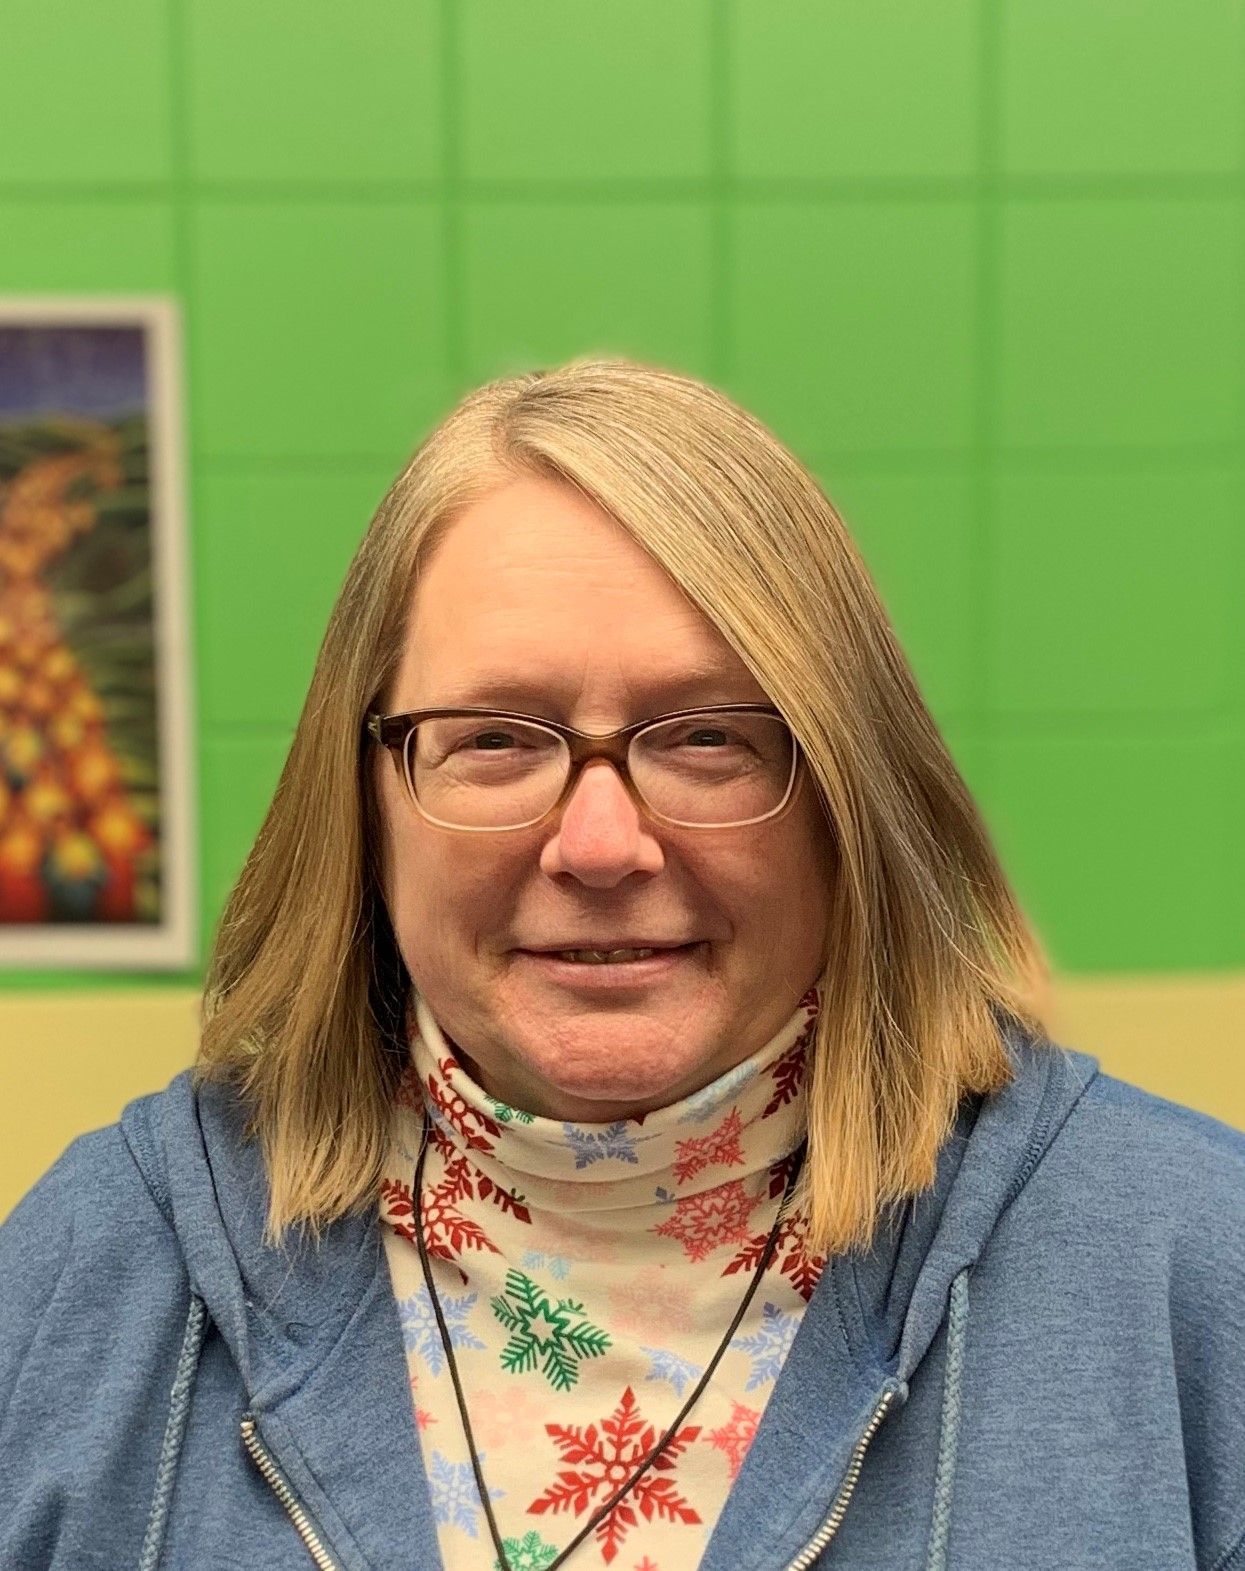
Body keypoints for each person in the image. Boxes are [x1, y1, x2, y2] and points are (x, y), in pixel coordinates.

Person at [2, 358, 1242, 1571]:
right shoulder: (89, 1274)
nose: (600, 844)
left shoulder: (1190, 1270)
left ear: (850, 797)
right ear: (366, 796)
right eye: (494, 739)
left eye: (709, 737)